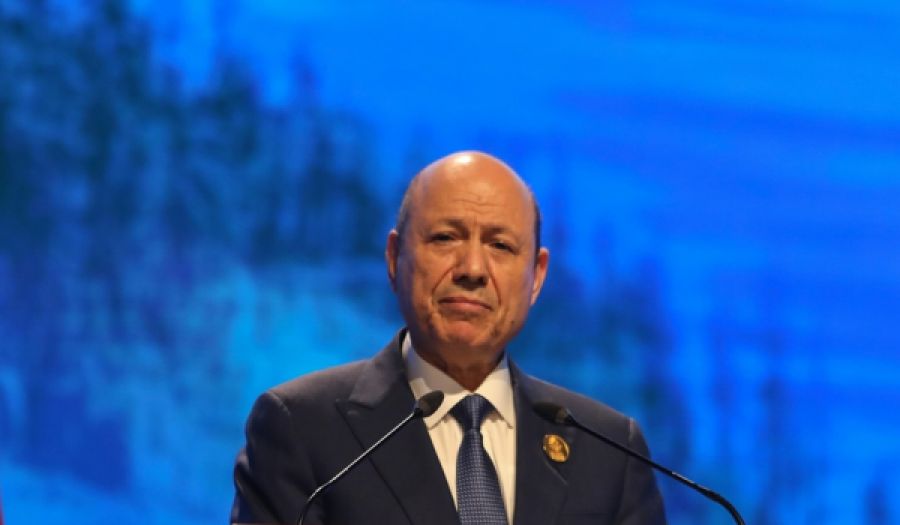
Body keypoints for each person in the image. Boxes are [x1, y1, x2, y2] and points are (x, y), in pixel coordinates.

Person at [231, 151, 666, 524]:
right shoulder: (301, 427)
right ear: (395, 258)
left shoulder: (609, 450)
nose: (472, 269)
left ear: (536, 276)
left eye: (500, 246)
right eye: (445, 238)